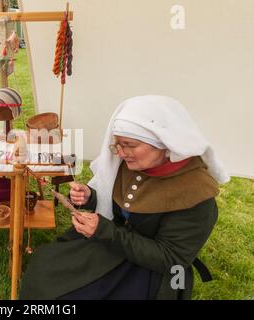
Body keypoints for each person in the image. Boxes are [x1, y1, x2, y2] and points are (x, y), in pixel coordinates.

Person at [19, 95, 230, 300]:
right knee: (45, 269)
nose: (120, 153)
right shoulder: (132, 163)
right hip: (113, 242)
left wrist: (104, 231)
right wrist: (90, 197)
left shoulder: (197, 195)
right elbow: (121, 204)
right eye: (117, 145)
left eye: (129, 145)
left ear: (164, 143)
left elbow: (170, 259)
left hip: (148, 269)